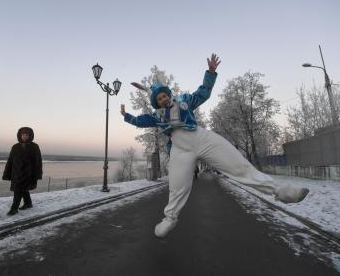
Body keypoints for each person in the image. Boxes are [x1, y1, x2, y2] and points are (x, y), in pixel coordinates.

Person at [121, 54, 309, 238]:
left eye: (164, 96)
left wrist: (210, 72)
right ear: (157, 103)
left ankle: (281, 191)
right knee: (176, 187)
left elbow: (203, 93)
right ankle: (170, 218)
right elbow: (141, 121)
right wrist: (126, 116)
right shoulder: (158, 117)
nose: (163, 100)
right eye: (159, 99)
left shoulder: (184, 102)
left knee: (239, 166)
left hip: (201, 138)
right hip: (180, 150)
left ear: (168, 94)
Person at [2, 127, 43, 216]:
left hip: (29, 174)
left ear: (30, 136)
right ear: (20, 135)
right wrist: (7, 174)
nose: (25, 136)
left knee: (18, 190)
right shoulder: (15, 147)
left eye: (27, 135)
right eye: (23, 135)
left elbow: (38, 162)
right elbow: (10, 161)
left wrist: (37, 174)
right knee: (23, 189)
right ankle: (28, 203)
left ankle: (14, 208)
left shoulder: (34, 147)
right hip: (16, 173)